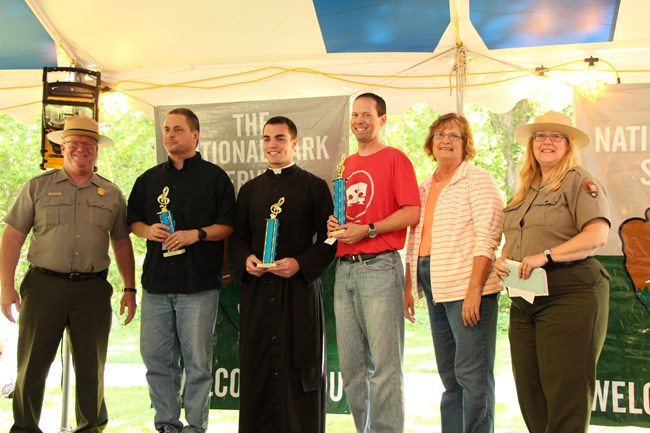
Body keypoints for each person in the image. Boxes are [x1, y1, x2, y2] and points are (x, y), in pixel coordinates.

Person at [0, 115, 137, 432]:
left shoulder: (112, 194)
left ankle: (90, 428)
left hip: (91, 290)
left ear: (97, 150)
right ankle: (24, 427)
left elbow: (121, 242)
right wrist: (6, 286)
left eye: (88, 144)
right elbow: (12, 236)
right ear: (62, 147)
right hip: (44, 286)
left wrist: (129, 289)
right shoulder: (37, 187)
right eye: (74, 142)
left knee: (92, 367)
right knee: (32, 365)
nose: (81, 149)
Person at [494, 111, 610, 433]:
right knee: (531, 396)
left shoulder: (579, 180)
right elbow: (517, 237)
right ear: (531, 145)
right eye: (540, 136)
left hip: (571, 293)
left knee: (565, 397)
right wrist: (503, 260)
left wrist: (547, 255)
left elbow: (597, 235)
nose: (547, 141)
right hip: (525, 300)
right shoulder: (525, 188)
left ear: (568, 144)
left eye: (556, 136)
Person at [127, 108, 235, 433]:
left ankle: (195, 427)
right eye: (167, 129)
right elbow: (132, 221)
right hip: (156, 285)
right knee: (157, 362)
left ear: (195, 135)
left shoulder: (215, 177)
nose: (170, 135)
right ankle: (166, 425)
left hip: (199, 285)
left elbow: (227, 226)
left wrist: (196, 234)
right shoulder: (148, 179)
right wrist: (147, 231)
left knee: (198, 364)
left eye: (177, 129)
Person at [229, 116, 336, 433]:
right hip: (258, 294)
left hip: (299, 293)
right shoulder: (249, 191)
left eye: (279, 138)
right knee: (259, 366)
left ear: (294, 143)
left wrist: (301, 264)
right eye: (266, 139)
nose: (272, 145)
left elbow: (330, 238)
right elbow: (237, 239)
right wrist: (246, 259)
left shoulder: (315, 187)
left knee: (298, 368)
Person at [403, 113, 504, 433]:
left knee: (473, 377)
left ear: (466, 145)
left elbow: (489, 235)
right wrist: (409, 285)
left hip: (467, 284)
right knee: (449, 376)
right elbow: (413, 238)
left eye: (455, 136)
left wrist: (475, 290)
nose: (446, 140)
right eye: (440, 134)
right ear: (431, 142)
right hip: (433, 281)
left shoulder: (478, 179)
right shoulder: (422, 187)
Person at [327, 93, 420, 433]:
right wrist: (334, 226)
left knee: (384, 367)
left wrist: (368, 229)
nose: (359, 121)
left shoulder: (395, 159)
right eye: (355, 115)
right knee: (352, 369)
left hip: (380, 267)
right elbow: (348, 214)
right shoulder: (346, 165)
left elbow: (412, 211)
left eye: (366, 114)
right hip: (344, 268)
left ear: (382, 120)